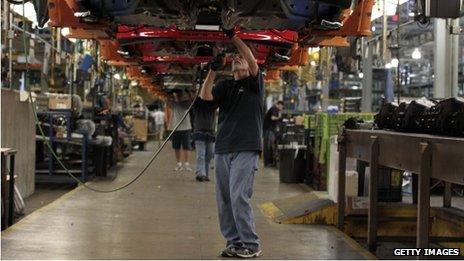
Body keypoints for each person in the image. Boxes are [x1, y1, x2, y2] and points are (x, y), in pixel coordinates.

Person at [199, 10, 263, 258]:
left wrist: (232, 37)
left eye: (241, 59)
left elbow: (251, 57)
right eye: (235, 58)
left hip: (246, 147)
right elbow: (205, 97)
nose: (237, 59)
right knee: (224, 199)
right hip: (223, 148)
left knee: (239, 196)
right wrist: (213, 70)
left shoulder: (254, 84)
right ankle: (235, 241)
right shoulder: (226, 86)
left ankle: (251, 243)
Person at [166, 91, 192, 172]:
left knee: (186, 146)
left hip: (186, 126)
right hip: (175, 127)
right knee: (176, 146)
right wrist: (168, 96)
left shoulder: (187, 102)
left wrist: (178, 98)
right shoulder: (173, 102)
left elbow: (186, 106)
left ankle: (187, 164)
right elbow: (168, 104)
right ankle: (179, 163)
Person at [192, 97, 217, 182]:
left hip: (210, 132)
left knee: (209, 155)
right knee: (201, 154)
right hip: (199, 131)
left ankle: (205, 173)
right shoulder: (197, 102)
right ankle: (200, 173)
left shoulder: (214, 102)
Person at [263, 101, 284, 166]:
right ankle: (268, 162)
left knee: (270, 146)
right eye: (282, 106)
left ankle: (270, 162)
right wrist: (279, 117)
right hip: (268, 130)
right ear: (279, 105)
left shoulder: (275, 109)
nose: (282, 108)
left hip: (269, 130)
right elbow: (273, 118)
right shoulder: (274, 108)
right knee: (268, 146)